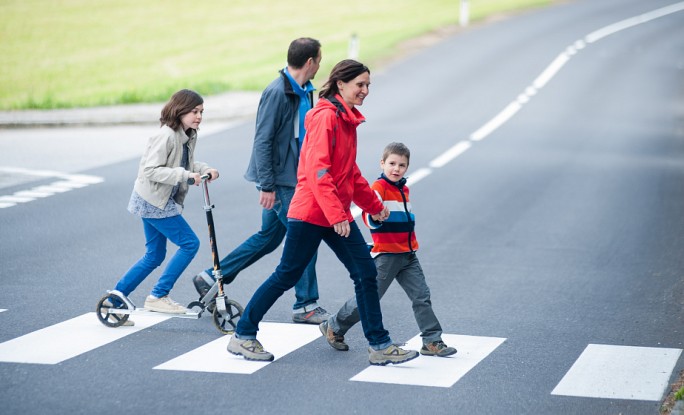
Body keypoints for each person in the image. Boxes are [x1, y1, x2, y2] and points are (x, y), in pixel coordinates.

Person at [226, 59, 419, 366]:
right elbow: (318, 171)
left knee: (365, 273)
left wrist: (375, 206)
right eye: (360, 84)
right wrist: (338, 216)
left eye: (368, 85)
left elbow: (350, 172)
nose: (366, 90)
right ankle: (243, 334)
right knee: (287, 274)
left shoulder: (347, 119)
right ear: (341, 84)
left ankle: (379, 345)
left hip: (333, 213)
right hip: (312, 213)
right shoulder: (325, 117)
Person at [192, 37, 330, 325]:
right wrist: (267, 186)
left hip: (293, 177)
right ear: (309, 62)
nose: (320, 64)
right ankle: (305, 305)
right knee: (304, 237)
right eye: (319, 59)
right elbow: (263, 140)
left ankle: (211, 276)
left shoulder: (303, 90)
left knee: (269, 238)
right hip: (281, 181)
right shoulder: (277, 92)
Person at [320, 142, 457, 357]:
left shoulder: (403, 188)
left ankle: (431, 339)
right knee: (368, 299)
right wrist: (374, 216)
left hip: (408, 254)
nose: (396, 169)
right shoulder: (378, 188)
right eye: (392, 163)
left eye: (402, 165)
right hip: (386, 255)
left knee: (421, 296)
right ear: (382, 163)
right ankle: (335, 326)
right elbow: (368, 214)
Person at [107, 89, 219, 325]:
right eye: (193, 111)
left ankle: (115, 300)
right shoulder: (166, 135)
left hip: (158, 199)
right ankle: (158, 295)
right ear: (179, 111)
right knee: (190, 244)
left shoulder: (188, 134)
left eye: (201, 112)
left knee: (154, 255)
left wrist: (203, 169)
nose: (198, 116)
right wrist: (186, 176)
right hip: (153, 200)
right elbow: (151, 169)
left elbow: (184, 163)